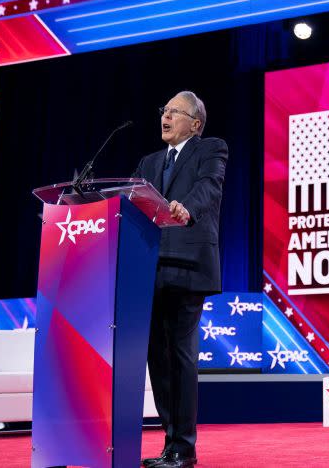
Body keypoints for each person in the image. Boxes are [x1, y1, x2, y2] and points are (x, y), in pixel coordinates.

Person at [133, 91, 228, 468]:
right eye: (164, 110)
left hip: (188, 265)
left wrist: (187, 207)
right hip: (149, 268)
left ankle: (184, 448)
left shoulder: (211, 149)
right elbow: (133, 205)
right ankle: (169, 444)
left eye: (175, 111)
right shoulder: (148, 161)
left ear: (196, 123)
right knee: (158, 357)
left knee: (181, 354)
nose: (165, 116)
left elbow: (210, 186)